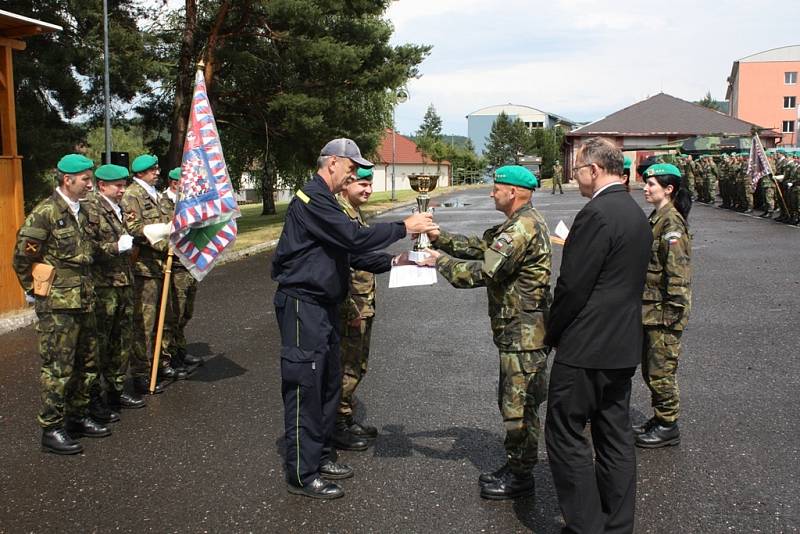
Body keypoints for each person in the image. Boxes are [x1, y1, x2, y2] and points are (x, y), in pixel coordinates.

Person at [271, 138, 437, 500]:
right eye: (351, 166)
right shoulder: (311, 198)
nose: (355, 173)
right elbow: (354, 237)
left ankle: (322, 454)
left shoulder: (327, 201)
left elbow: (350, 254)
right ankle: (302, 473)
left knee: (329, 385)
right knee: (306, 388)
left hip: (325, 308)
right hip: (304, 305)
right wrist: (404, 226)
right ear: (333, 163)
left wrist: (400, 260)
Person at [419, 165, 552, 500]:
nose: (492, 192)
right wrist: (440, 238)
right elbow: (482, 246)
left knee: (518, 405)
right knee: (514, 401)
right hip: (517, 331)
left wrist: (439, 262)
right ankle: (518, 464)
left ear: (514, 191)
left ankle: (521, 477)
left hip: (523, 335)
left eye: (497, 187)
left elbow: (484, 270)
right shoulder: (517, 224)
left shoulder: (522, 228)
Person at [544, 137, 652, 533]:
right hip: (622, 345)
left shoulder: (596, 214)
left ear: (593, 169)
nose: (577, 179)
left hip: (586, 347)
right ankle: (618, 524)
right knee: (614, 436)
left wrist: (552, 332)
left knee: (565, 432)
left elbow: (573, 286)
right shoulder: (635, 211)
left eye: (577, 171)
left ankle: (585, 526)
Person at [12, 154, 112, 454]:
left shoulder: (81, 212)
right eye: (85, 179)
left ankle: (77, 418)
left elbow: (87, 251)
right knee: (58, 368)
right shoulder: (44, 213)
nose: (90, 184)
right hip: (57, 306)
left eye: (90, 178)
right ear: (67, 180)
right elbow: (22, 259)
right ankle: (52, 428)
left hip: (84, 297)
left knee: (88, 362)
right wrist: (36, 291)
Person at [635, 163, 692, 448]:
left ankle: (668, 424)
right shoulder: (658, 217)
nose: (645, 188)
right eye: (646, 184)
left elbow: (678, 273)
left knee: (661, 370)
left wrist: (673, 313)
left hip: (664, 312)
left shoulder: (671, 223)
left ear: (669, 189)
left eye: (652, 184)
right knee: (651, 369)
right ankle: (660, 418)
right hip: (651, 308)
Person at [84, 164, 146, 420]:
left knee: (121, 341)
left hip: (123, 282)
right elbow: (87, 247)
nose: (122, 190)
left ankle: (116, 390)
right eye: (118, 186)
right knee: (100, 345)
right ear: (102, 186)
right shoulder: (92, 209)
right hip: (104, 286)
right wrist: (115, 247)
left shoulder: (116, 208)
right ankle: (94, 399)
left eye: (123, 185)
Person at [121, 154, 184, 395]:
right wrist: (163, 237)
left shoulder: (155, 195)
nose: (157, 172)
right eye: (152, 169)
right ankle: (141, 374)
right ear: (140, 173)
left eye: (157, 168)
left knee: (163, 320)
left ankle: (160, 364)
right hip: (144, 269)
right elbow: (134, 229)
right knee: (144, 325)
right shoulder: (132, 195)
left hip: (161, 267)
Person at [333, 167, 381, 451]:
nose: (368, 190)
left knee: (357, 363)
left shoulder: (353, 213)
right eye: (362, 184)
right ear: (346, 184)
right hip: (351, 306)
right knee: (346, 366)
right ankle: (337, 425)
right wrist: (349, 309)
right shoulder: (340, 216)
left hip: (364, 301)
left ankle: (346, 416)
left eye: (369, 185)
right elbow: (338, 270)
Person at [159, 168, 203, 369]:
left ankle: (179, 349)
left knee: (186, 312)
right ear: (174, 183)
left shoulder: (191, 202)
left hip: (190, 262)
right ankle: (168, 356)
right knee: (173, 313)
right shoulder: (162, 202)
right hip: (174, 264)